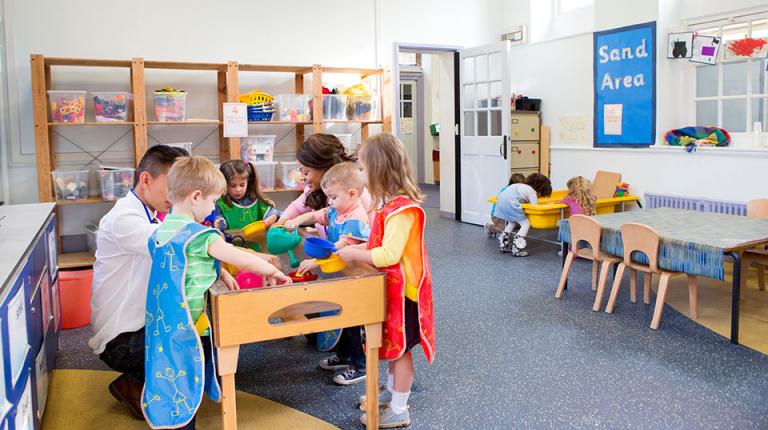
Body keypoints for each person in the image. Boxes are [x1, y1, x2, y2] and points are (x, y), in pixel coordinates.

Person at [142, 156, 290, 429]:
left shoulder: (160, 230)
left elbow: (182, 264)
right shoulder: (202, 236)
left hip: (162, 324)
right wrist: (271, 271)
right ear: (196, 197)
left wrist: (217, 269)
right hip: (190, 328)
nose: (213, 209)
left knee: (168, 377)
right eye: (212, 201)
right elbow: (235, 255)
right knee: (186, 380)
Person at [336, 133, 435, 428]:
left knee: (401, 351)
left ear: (378, 170)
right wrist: (356, 244)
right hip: (392, 289)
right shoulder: (387, 206)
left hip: (407, 295)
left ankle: (400, 408)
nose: (361, 176)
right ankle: (393, 394)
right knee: (392, 347)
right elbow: (379, 244)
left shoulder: (404, 211)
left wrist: (355, 253)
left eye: (364, 170)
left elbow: (389, 255)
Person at [89, 145, 188, 419]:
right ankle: (134, 382)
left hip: (139, 325)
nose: (177, 195)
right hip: (121, 341)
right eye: (173, 185)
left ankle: (141, 381)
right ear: (146, 179)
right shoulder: (124, 219)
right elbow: (176, 241)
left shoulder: (151, 213)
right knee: (199, 341)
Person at [285, 162, 371, 386]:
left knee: (353, 322)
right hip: (343, 278)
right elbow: (316, 215)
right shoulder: (337, 210)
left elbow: (341, 249)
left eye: (333, 197)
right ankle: (344, 357)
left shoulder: (356, 217)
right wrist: (296, 220)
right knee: (341, 318)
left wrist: (314, 262)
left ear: (352, 194)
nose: (330, 202)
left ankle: (360, 365)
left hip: (357, 279)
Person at [274, 133, 373, 233]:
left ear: (325, 168)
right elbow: (296, 208)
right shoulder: (312, 190)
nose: (302, 178)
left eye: (306, 173)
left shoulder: (356, 194)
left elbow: (373, 235)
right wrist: (283, 220)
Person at [494, 172, 552, 256]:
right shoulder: (531, 191)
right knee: (525, 224)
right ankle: (517, 248)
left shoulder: (518, 185)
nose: (539, 197)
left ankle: (503, 244)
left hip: (500, 203)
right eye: (540, 195)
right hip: (511, 204)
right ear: (540, 189)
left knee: (512, 222)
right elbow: (535, 207)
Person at [213, 159, 279, 231]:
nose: (238, 189)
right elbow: (218, 219)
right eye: (233, 185)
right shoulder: (220, 202)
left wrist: (273, 216)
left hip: (256, 240)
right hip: (230, 241)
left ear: (248, 182)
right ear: (224, 183)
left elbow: (274, 212)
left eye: (242, 185)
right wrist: (218, 223)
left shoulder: (255, 199)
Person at [484, 173, 526, 238]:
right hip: (498, 216)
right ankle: (490, 227)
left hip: (507, 214)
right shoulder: (506, 191)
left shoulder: (516, 191)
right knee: (504, 231)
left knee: (518, 223)